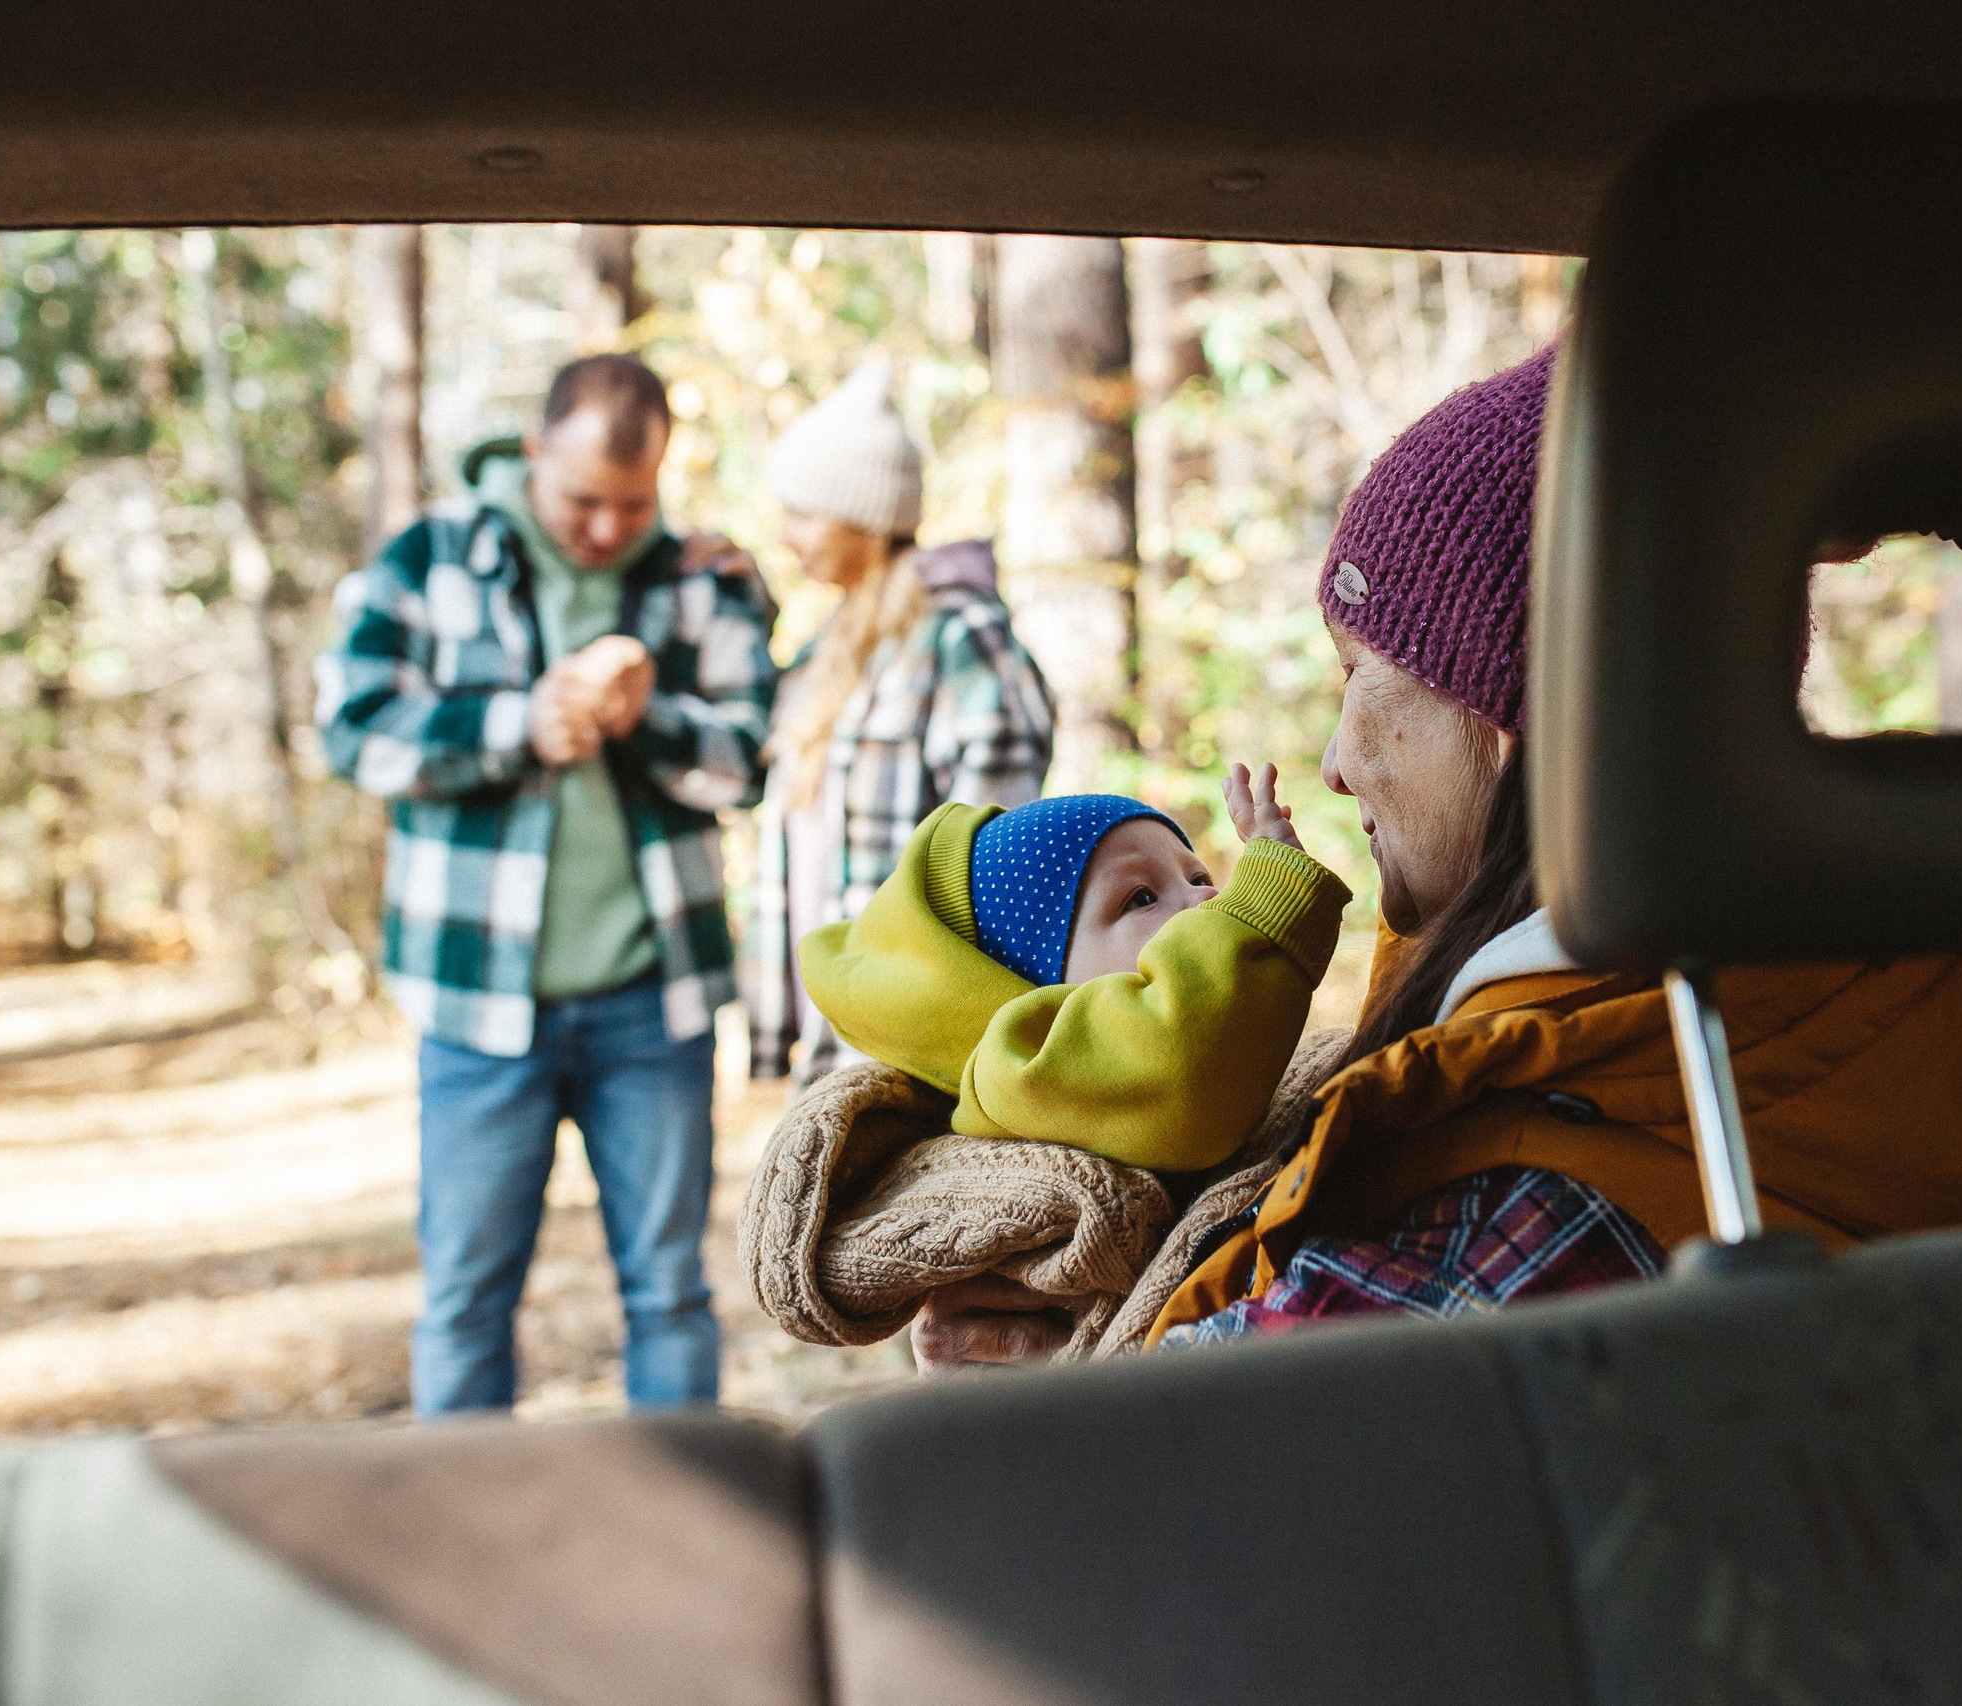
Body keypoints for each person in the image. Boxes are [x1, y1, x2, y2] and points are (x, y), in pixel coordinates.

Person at [898, 345, 1962, 1367]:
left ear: (1500, 712)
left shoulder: (1531, 1220)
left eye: (1357, 676)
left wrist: (1040, 1392)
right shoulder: (1908, 998)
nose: (1332, 762)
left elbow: (1146, 1515)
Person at [316, 354, 778, 1414]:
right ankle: (464, 1518)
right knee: (466, 1300)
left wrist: (645, 718)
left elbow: (749, 760)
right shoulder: (429, 556)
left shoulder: (703, 577)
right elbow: (352, 728)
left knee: (670, 1293)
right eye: (582, 500)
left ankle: (676, 1509)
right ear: (533, 452)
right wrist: (514, 724)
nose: (608, 528)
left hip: (652, 1002)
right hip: (476, 1005)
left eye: (634, 503)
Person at [798, 763, 1351, 1172]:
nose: (1206, 899)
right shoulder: (1019, 1062)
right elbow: (1185, 1069)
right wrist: (1265, 901)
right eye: (1141, 898)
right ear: (1028, 983)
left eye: (1199, 877)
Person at [746, 358, 1054, 1086]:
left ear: (863, 517)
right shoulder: (832, 645)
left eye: (803, 514)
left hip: (912, 1043)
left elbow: (995, 854)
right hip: (835, 1033)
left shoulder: (960, 636)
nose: (786, 535)